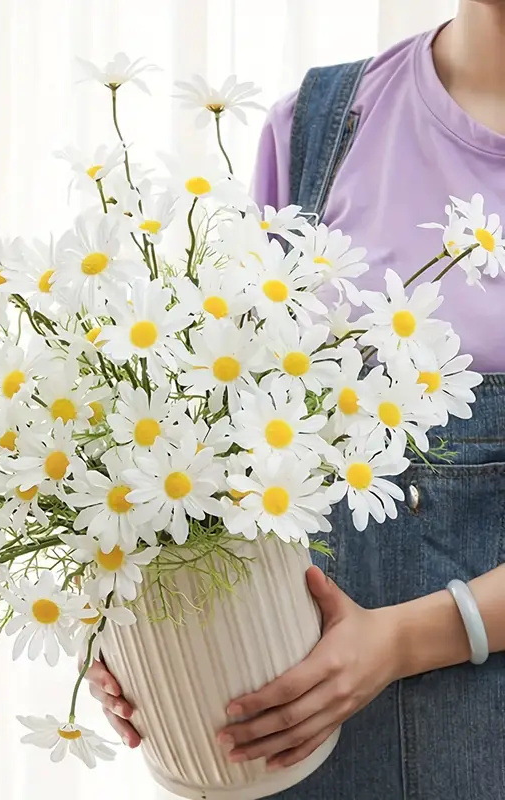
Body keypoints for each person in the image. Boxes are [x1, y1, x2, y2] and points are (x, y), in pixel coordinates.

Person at [84, 2, 505, 797]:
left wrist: (400, 642)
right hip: (298, 751)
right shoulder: (318, 126)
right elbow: (234, 436)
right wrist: (147, 640)